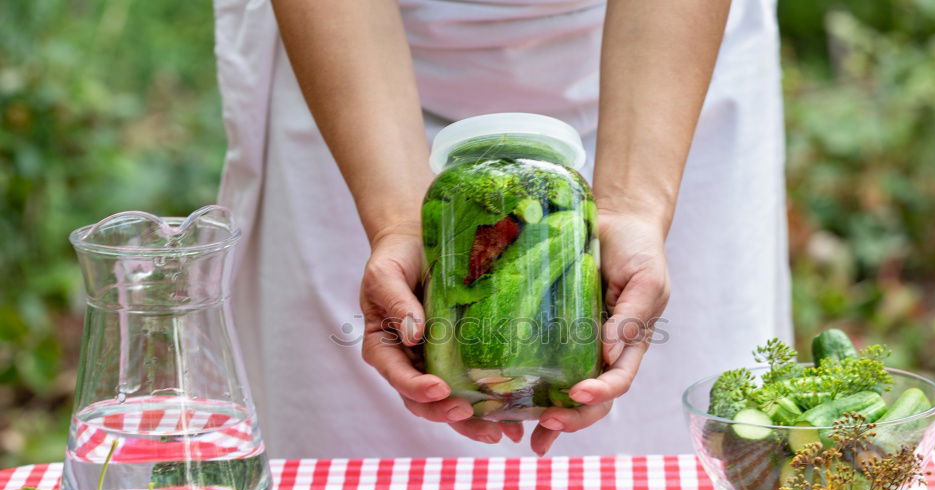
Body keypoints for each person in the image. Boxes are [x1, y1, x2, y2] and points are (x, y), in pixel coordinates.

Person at [213, 0, 791, 459]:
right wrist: (396, 220)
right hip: (352, 70)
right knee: (347, 442)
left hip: (662, 63)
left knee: (673, 440)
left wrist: (633, 206)